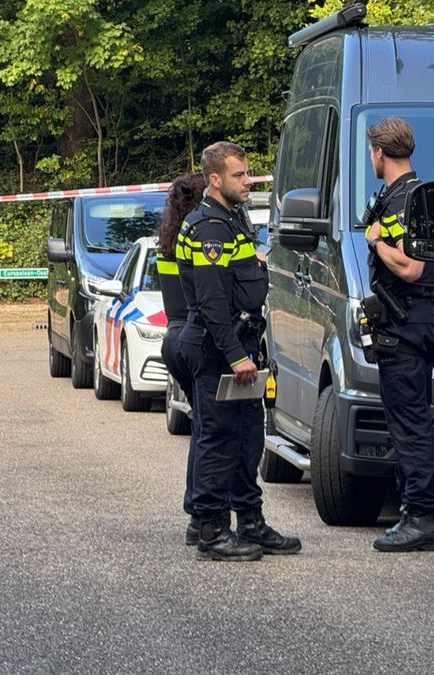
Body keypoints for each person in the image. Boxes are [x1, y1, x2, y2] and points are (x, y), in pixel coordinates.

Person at [177, 141, 301, 561]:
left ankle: (249, 520)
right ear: (215, 180)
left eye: (248, 174)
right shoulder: (210, 228)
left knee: (247, 435)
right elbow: (211, 302)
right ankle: (211, 529)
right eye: (239, 175)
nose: (248, 181)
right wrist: (235, 355)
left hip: (240, 340)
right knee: (219, 438)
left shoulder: (232, 218)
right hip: (218, 346)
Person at [361, 118, 434, 553]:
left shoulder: (400, 203)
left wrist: (377, 242)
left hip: (406, 324)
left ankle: (420, 517)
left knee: (409, 423)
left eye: (370, 152)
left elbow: (412, 268)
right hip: (426, 319)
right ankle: (417, 512)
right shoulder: (422, 194)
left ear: (378, 152)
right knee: (413, 419)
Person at [156, 172, 208, 546]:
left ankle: (197, 507)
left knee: (202, 429)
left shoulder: (168, 242)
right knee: (211, 433)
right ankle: (200, 512)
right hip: (194, 338)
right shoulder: (200, 241)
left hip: (173, 339)